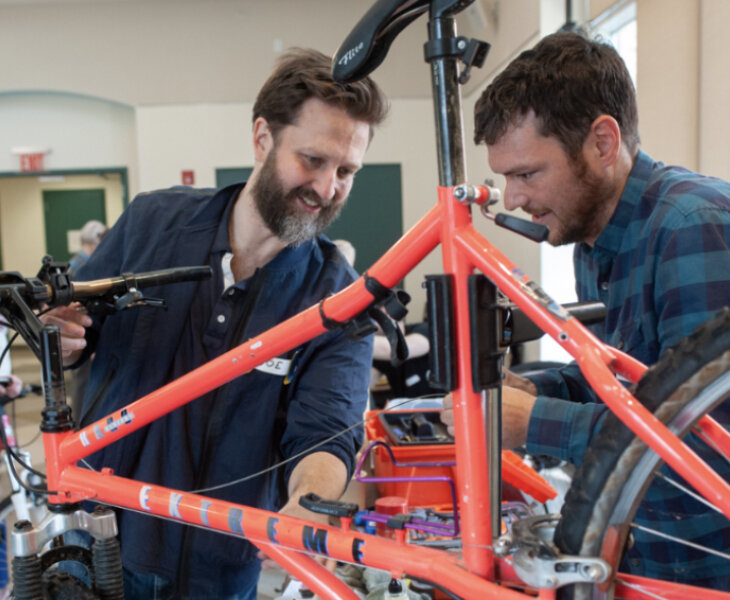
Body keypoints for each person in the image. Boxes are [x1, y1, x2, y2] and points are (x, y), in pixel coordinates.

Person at [42, 48, 388, 599]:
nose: (326, 190)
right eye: (313, 160)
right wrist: (63, 336)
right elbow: (77, 330)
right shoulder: (152, 222)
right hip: (97, 544)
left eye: (346, 172)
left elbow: (328, 431)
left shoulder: (339, 296)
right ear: (262, 138)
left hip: (215, 571)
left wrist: (306, 504)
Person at [442, 31, 730, 588]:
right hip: (645, 552)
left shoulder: (693, 229)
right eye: (505, 177)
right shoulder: (596, 239)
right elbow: (638, 382)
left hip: (705, 571)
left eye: (527, 174)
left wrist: (535, 423)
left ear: (602, 142)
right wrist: (537, 390)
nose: (514, 197)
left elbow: (708, 444)